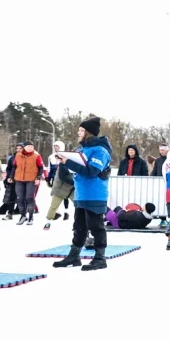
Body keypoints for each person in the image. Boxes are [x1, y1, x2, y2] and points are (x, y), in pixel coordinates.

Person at [52, 116, 112, 271]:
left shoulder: (100, 150)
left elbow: (92, 171)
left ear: (89, 133)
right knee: (79, 226)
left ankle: (100, 258)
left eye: (81, 130)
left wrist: (69, 162)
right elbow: (74, 169)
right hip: (81, 194)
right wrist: (64, 163)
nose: (78, 133)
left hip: (95, 194)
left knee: (96, 226)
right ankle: (74, 255)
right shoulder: (81, 149)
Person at [44, 141, 75, 230]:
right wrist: (48, 179)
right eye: (55, 146)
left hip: (70, 187)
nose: (55, 148)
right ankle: (48, 221)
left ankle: (68, 214)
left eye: (57, 146)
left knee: (78, 204)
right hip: (59, 186)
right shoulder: (55, 160)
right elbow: (61, 175)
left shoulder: (71, 162)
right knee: (54, 205)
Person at [13, 140, 45, 225]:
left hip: (31, 180)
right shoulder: (18, 155)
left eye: (32, 146)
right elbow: (14, 167)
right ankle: (23, 216)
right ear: (24, 147)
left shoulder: (36, 156)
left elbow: (41, 168)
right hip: (19, 179)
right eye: (28, 146)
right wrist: (11, 177)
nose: (30, 148)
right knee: (20, 198)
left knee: (29, 198)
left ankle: (31, 217)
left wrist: (38, 178)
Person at [2, 143, 23, 220]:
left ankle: (23, 214)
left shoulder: (27, 158)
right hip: (13, 180)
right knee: (11, 197)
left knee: (23, 197)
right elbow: (9, 169)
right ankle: (10, 213)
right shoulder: (12, 158)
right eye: (17, 148)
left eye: (20, 148)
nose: (18, 150)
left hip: (23, 180)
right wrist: (7, 178)